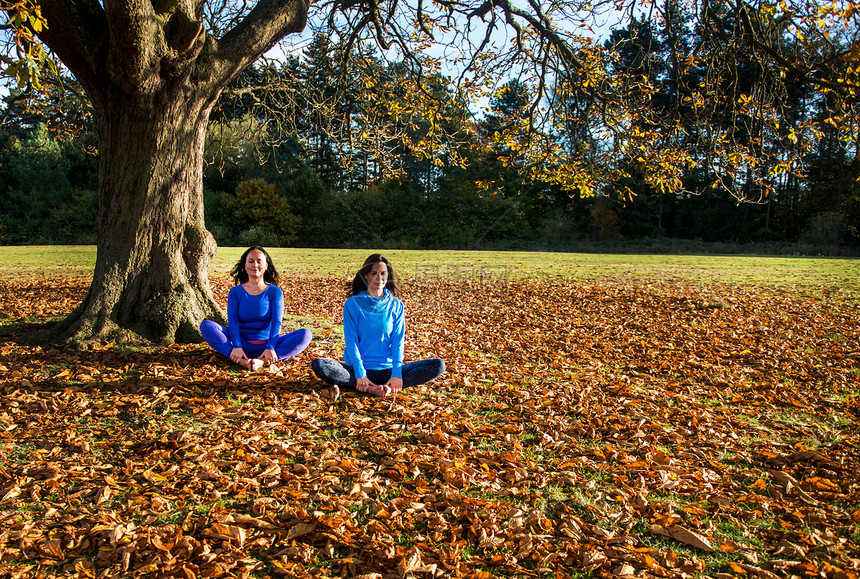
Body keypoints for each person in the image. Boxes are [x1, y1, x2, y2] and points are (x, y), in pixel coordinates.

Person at [312, 253, 445, 396]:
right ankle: (367, 387)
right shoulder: (352, 304)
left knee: (438, 365)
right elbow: (351, 341)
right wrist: (360, 373)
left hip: (387, 371)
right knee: (319, 364)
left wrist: (396, 374)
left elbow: (398, 342)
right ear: (366, 275)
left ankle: (388, 386)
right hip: (357, 370)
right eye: (374, 273)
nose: (379, 278)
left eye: (383, 273)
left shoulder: (396, 305)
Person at [200, 246, 312, 371]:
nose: (255, 265)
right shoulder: (235, 292)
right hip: (241, 345)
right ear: (245, 265)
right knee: (207, 326)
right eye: (251, 261)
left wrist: (270, 347)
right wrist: (237, 346)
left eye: (259, 261)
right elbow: (233, 321)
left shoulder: (275, 291)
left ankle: (262, 361)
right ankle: (242, 361)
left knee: (306, 334)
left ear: (266, 265)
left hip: (268, 345)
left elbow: (277, 321)